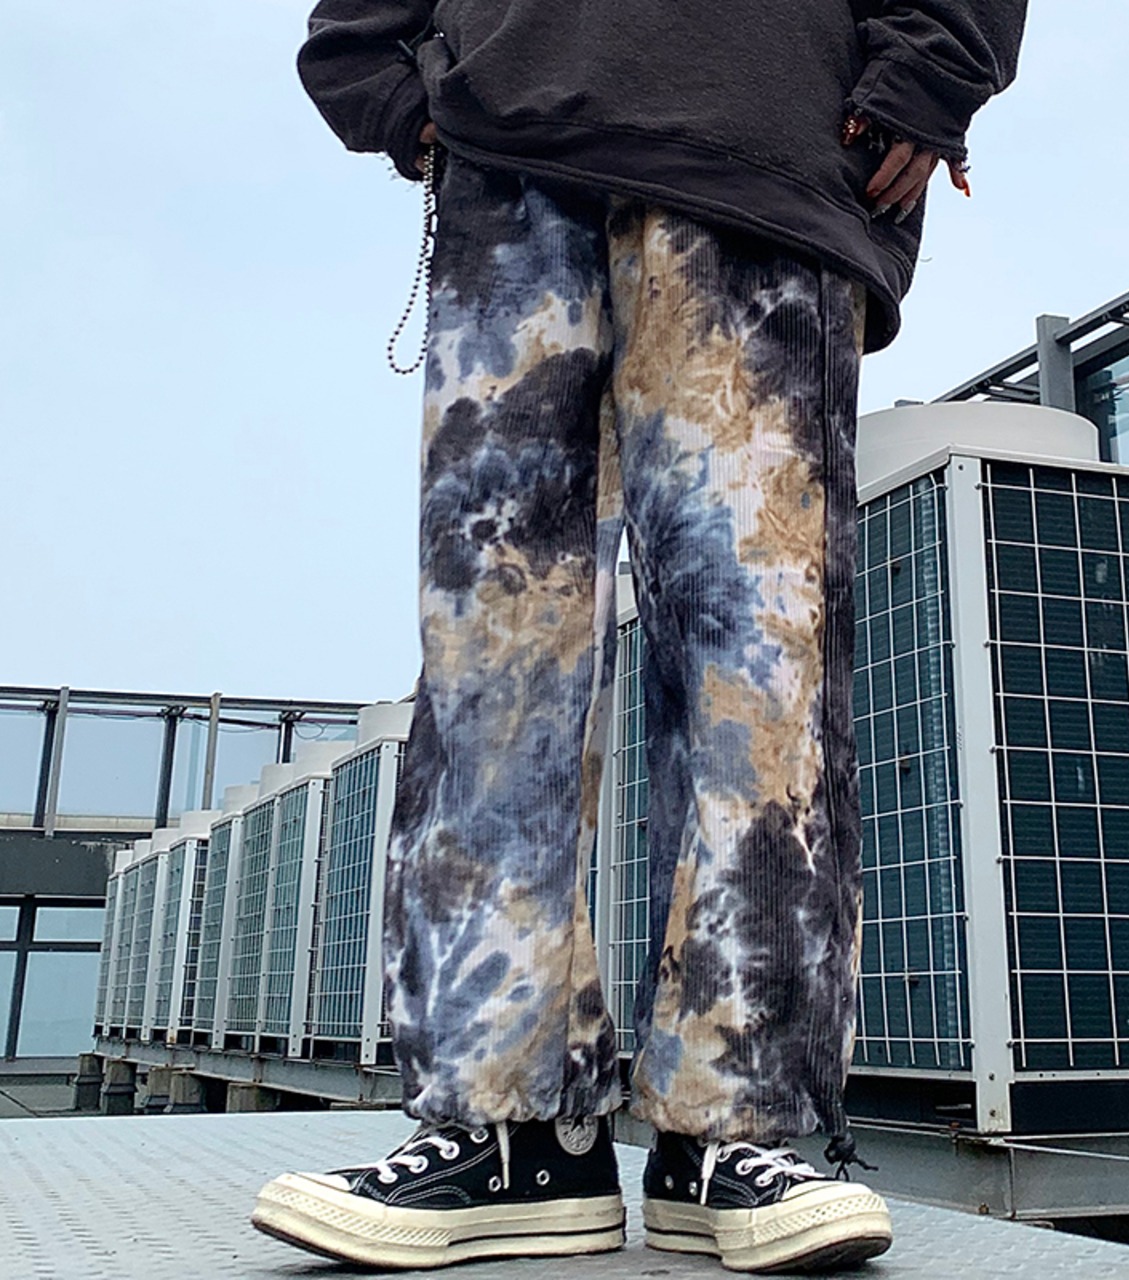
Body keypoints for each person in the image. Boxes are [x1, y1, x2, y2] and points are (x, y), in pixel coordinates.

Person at [252, 0, 1026, 1271]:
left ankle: (732, 1126)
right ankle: (511, 1128)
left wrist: (932, 67)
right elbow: (350, 32)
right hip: (511, 169)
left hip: (765, 155)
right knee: (493, 663)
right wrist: (397, 93)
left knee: (755, 665)